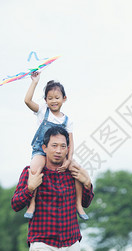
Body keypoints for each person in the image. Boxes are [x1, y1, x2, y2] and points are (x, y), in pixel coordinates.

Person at [11, 126, 94, 251]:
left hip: (70, 244)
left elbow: (86, 203)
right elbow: (16, 204)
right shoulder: (31, 172)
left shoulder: (73, 173)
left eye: (63, 146)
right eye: (54, 145)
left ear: (68, 148)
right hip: (42, 243)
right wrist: (30, 188)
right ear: (44, 147)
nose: (58, 151)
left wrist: (87, 183)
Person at [23, 71, 88, 220]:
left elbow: (70, 143)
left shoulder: (67, 121)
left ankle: (78, 204)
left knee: (77, 170)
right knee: (34, 168)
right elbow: (27, 101)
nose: (53, 101)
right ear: (45, 100)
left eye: (57, 98)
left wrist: (68, 160)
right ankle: (32, 204)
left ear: (64, 99)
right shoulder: (41, 111)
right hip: (41, 150)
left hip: (61, 152)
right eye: (50, 98)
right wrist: (34, 82)